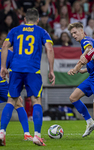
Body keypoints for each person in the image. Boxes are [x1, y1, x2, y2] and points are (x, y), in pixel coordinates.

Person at [0, 8, 55, 146]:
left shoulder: (15, 30)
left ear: (24, 20)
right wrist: (51, 70)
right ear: (37, 20)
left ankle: (1, 133)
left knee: (11, 101)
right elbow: (49, 49)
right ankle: (36, 136)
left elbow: (5, 46)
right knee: (36, 101)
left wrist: (3, 67)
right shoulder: (41, 31)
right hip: (32, 71)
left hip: (16, 70)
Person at [0, 48, 33, 145]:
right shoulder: (9, 53)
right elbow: (16, 72)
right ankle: (26, 134)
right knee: (17, 104)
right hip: (1, 84)